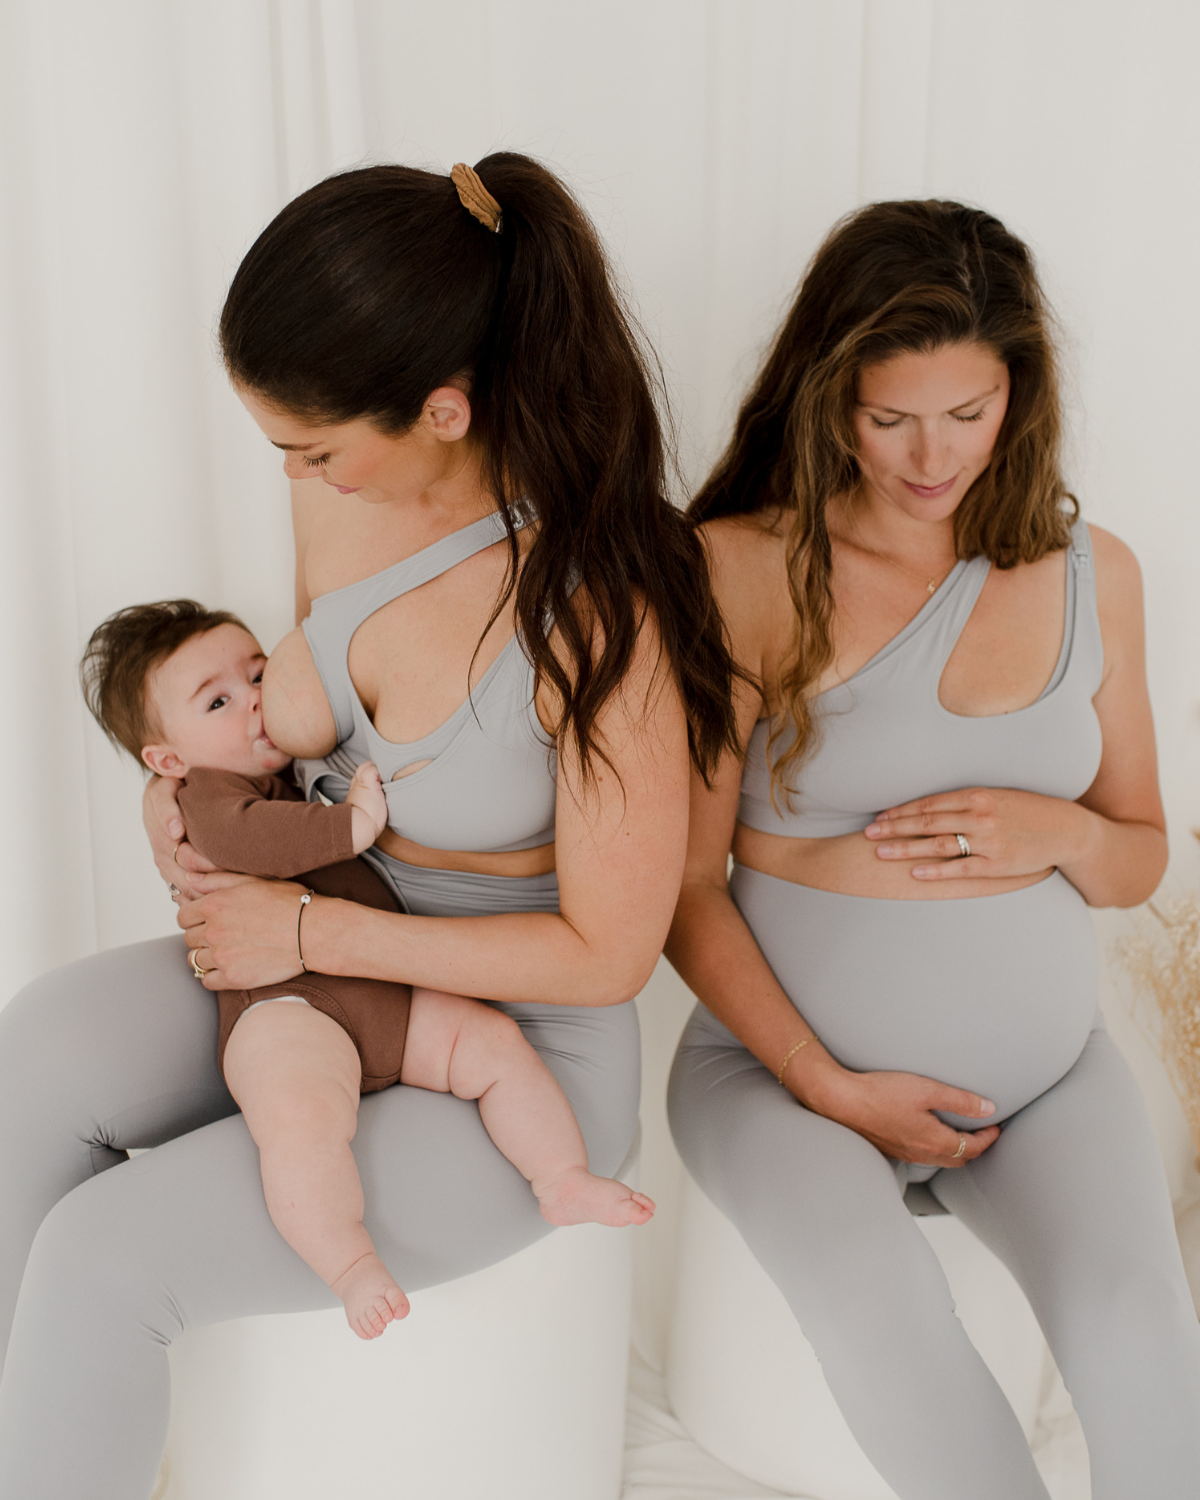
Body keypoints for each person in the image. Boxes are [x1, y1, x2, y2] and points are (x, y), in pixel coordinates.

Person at [0, 156, 736, 1498]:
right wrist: (188, 804)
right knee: (35, 1049)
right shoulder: (346, 500)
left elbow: (606, 959)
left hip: (511, 1053)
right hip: (326, 955)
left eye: (316, 447)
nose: (295, 475)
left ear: (445, 407)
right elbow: (293, 729)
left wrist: (310, 921)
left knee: (103, 1259)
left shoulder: (599, 611)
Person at [666, 200, 1200, 1500]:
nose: (929, 455)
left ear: (1020, 393)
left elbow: (1137, 859)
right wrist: (831, 1085)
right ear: (828, 392)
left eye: (968, 414)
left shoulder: (1093, 573)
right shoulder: (739, 569)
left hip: (1041, 1083)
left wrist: (1058, 829)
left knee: (1140, 1330)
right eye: (890, 415)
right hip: (783, 1079)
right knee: (882, 1310)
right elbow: (679, 891)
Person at [79, 600, 655, 1341]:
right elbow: (255, 840)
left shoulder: (283, 769)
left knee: (493, 1048)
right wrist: (351, 823)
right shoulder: (206, 800)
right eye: (218, 701)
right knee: (301, 1125)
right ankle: (348, 1261)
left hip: (381, 996)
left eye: (259, 674)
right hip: (287, 1013)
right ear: (168, 762)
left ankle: (559, 1176)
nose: (255, 699)